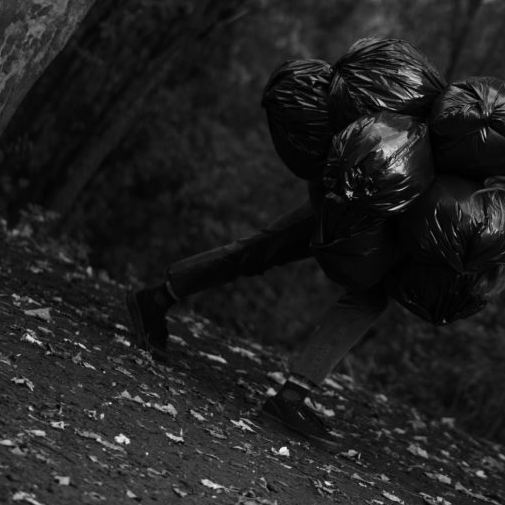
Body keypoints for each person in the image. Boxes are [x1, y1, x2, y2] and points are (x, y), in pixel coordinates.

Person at [125, 186, 389, 446]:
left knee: (261, 249)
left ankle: (159, 297)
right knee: (368, 295)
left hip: (351, 193)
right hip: (374, 209)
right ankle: (292, 397)